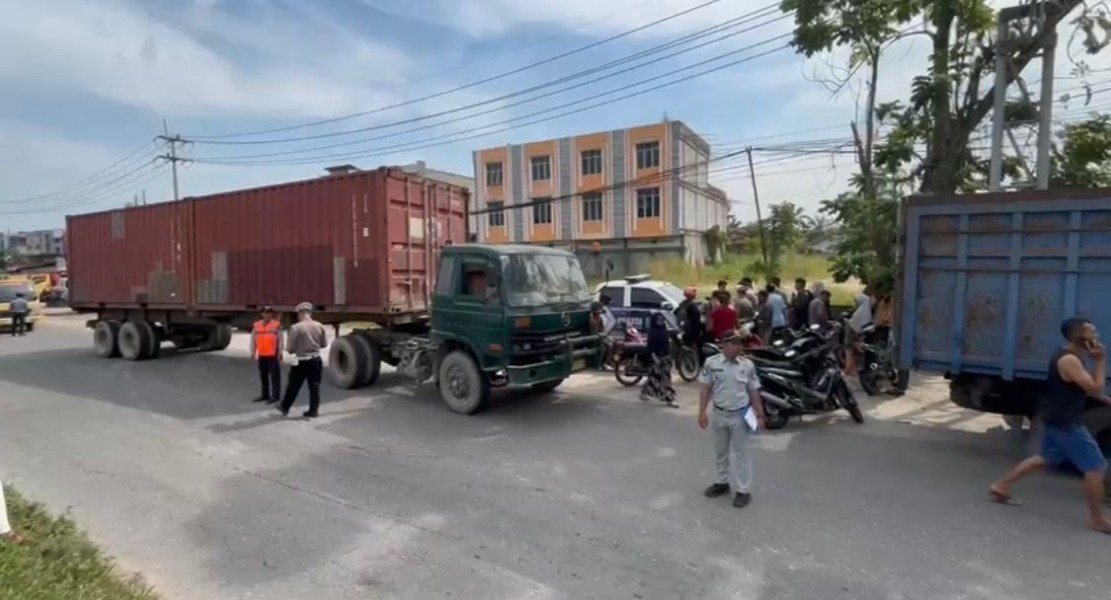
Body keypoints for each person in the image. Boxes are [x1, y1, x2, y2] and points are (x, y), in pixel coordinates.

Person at [989, 317, 1111, 534]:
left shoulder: (1069, 356)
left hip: (1057, 417)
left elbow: (1080, 388)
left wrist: (1104, 398)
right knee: (1095, 466)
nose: (1096, 337)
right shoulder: (1070, 360)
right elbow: (1093, 388)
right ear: (1079, 337)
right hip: (1066, 422)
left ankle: (1001, 486)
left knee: (1046, 458)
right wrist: (1101, 361)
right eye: (1092, 333)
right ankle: (1097, 519)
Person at [698, 330, 766, 508]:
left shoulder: (747, 365)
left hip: (739, 415)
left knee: (742, 455)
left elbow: (753, 391)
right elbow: (705, 389)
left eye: (740, 343)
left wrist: (759, 414)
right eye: (734, 343)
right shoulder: (711, 363)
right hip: (719, 414)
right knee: (720, 452)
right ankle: (722, 483)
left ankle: (743, 490)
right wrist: (702, 412)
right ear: (724, 345)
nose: (739, 346)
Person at [278, 302, 329, 419]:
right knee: (314, 386)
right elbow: (324, 344)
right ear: (310, 313)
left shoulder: (296, 328)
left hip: (298, 358)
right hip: (315, 359)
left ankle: (285, 406)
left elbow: (290, 349)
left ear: (300, 313)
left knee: (293, 384)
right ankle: (313, 410)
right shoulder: (320, 326)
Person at [639, 312, 678, 407]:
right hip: (656, 358)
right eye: (658, 320)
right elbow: (650, 348)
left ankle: (668, 399)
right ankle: (669, 399)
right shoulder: (652, 333)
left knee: (663, 378)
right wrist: (655, 358)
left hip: (666, 358)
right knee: (657, 378)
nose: (660, 321)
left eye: (662, 319)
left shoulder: (663, 330)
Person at [249, 307, 283, 404]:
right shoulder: (257, 325)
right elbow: (253, 339)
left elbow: (280, 339)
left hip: (273, 354)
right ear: (262, 314)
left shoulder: (276, 325)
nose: (267, 314)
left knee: (274, 377)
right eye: (265, 312)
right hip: (262, 354)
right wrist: (252, 351)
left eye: (269, 313)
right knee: (263, 376)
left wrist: (280, 352)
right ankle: (265, 395)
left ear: (271, 314)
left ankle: (275, 396)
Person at [844, 292, 873, 375]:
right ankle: (855, 368)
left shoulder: (859, 312)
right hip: (861, 334)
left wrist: (847, 322)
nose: (855, 304)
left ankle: (848, 368)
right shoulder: (867, 312)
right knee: (857, 350)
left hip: (852, 332)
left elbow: (852, 323)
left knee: (848, 348)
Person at [679, 287, 705, 365]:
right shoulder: (693, 305)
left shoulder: (683, 304)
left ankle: (686, 362)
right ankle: (699, 362)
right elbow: (696, 319)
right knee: (699, 347)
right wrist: (699, 330)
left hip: (685, 329)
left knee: (686, 346)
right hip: (692, 330)